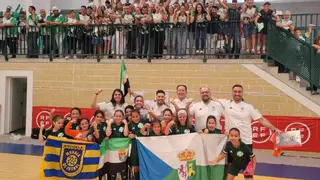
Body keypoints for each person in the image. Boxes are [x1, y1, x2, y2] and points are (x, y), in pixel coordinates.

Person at [216, 84, 281, 148]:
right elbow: (212, 98)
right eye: (235, 91)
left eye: (239, 92)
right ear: (232, 93)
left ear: (242, 93)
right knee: (230, 159)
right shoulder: (226, 103)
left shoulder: (249, 106)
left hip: (245, 142)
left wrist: (275, 129)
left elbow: (261, 120)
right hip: (230, 141)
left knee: (247, 159)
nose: (237, 94)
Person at [105, 110, 129, 180]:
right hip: (112, 150)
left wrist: (126, 124)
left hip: (122, 149)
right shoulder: (111, 125)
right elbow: (108, 134)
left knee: (122, 164)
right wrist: (109, 123)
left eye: (120, 116)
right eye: (116, 116)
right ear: (114, 117)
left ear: (123, 117)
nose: (118, 118)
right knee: (113, 166)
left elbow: (125, 134)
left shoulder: (124, 125)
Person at [128, 110, 148, 180]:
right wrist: (129, 135)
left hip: (144, 147)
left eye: (137, 116)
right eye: (133, 117)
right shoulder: (129, 124)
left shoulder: (144, 123)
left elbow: (145, 133)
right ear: (131, 117)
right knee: (136, 167)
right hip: (135, 147)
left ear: (140, 116)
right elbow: (128, 134)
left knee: (144, 165)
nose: (135, 118)